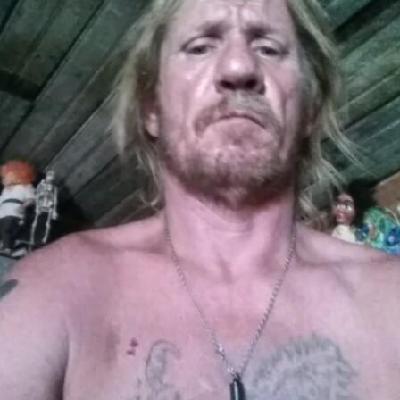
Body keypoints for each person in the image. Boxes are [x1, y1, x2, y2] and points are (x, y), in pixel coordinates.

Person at [1, 0, 399, 399]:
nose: (238, 68)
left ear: (309, 108)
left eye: (269, 48)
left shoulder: (387, 297)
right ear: (152, 108)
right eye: (200, 47)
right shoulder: (57, 288)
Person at [0, 160, 36, 254]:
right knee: (3, 226)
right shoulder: (5, 190)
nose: (4, 179)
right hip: (3, 211)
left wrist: (24, 206)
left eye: (6, 176)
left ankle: (7, 248)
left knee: (8, 226)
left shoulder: (25, 187)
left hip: (15, 212)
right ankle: (5, 244)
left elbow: (31, 199)